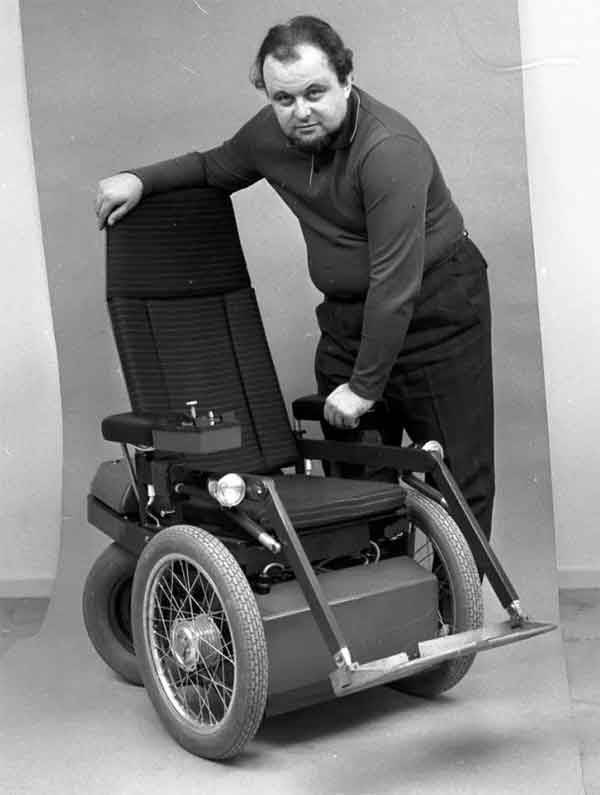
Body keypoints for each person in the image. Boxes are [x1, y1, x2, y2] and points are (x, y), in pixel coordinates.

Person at [95, 15, 495, 540]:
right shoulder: (271, 134)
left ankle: (451, 617)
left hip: (435, 311)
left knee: (456, 478)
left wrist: (363, 386)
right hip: (350, 316)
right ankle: (380, 601)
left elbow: (395, 286)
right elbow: (215, 167)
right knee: (354, 478)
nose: (301, 111)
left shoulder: (390, 149)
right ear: (267, 94)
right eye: (284, 98)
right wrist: (139, 179)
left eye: (315, 92)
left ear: (347, 81)